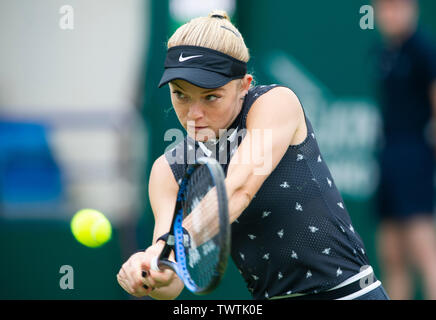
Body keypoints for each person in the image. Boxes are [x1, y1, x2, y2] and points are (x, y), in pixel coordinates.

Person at [117, 10, 389, 300]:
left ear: (244, 86)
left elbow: (237, 190)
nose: (194, 114)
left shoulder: (275, 103)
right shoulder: (167, 172)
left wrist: (170, 244)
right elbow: (171, 284)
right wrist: (148, 269)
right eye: (181, 94)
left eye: (211, 96)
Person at [373, 0, 436, 300]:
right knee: (391, 253)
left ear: (412, 8)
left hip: (415, 157)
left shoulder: (424, 50)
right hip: (388, 156)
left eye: (396, 6)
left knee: (424, 251)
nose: (389, 13)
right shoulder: (384, 52)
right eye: (383, 7)